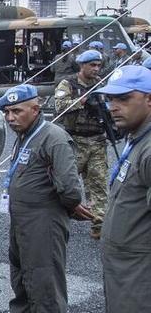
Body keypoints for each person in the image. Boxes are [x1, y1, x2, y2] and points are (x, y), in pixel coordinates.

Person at [0, 84, 90, 313]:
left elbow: (70, 189)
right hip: (23, 224)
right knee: (21, 284)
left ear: (36, 108)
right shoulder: (26, 136)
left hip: (43, 224)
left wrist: (67, 207)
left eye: (17, 111)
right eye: (7, 112)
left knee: (45, 289)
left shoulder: (53, 138)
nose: (10, 117)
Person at [94, 66, 151, 313]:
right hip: (126, 278)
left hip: (140, 282)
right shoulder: (137, 141)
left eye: (124, 99)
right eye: (111, 99)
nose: (114, 106)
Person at [54, 49, 109, 239]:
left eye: (98, 65)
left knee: (98, 184)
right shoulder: (68, 83)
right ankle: (55, 218)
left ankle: (99, 224)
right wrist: (84, 100)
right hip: (75, 141)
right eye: (92, 65)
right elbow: (60, 107)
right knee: (64, 183)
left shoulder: (101, 83)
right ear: (82, 65)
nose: (96, 69)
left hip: (97, 140)